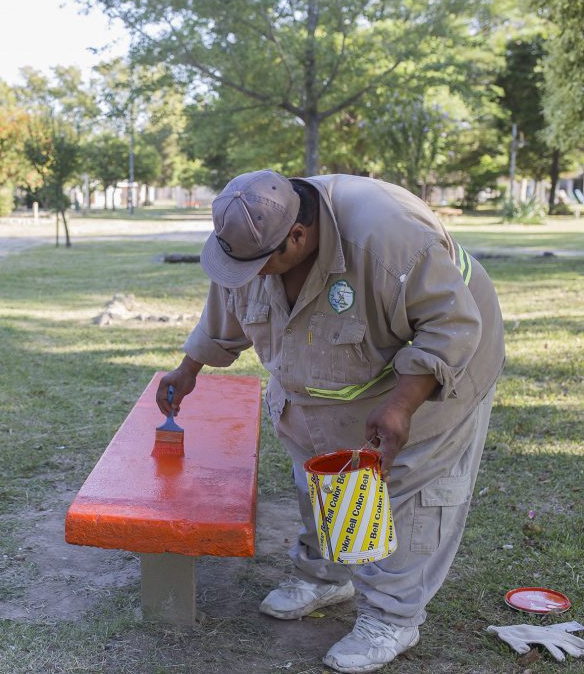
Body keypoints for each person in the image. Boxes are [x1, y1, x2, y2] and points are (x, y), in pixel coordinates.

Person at [158, 170, 504, 673]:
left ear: (297, 236)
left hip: (443, 363)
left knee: (405, 486)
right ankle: (329, 573)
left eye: (258, 265)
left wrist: (403, 406)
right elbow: (227, 306)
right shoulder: (252, 234)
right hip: (341, 379)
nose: (248, 274)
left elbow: (450, 327)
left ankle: (392, 618)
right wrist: (188, 369)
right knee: (322, 466)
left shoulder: (389, 238)